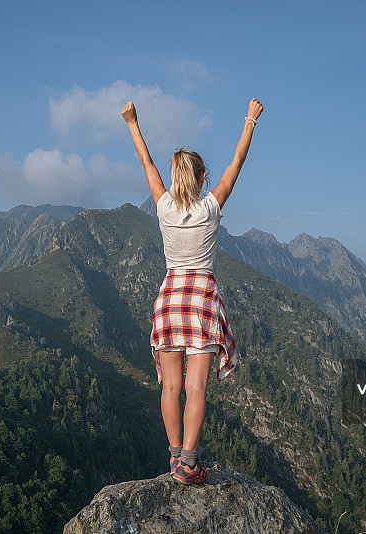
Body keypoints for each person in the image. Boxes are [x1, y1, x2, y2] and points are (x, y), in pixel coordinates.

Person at [122, 97, 264, 484]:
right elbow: (236, 165)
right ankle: (189, 460)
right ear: (203, 178)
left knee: (170, 385)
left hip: (168, 300)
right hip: (200, 300)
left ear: (175, 178)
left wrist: (132, 122)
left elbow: (146, 163)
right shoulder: (211, 207)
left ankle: (173, 460)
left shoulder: (164, 206)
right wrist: (249, 120)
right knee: (195, 386)